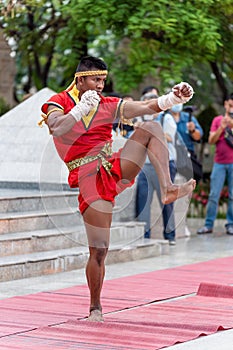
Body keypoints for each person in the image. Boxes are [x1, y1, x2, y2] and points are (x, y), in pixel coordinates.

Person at [40, 56, 195, 322]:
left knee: (151, 126)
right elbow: (56, 128)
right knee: (99, 249)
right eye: (95, 79)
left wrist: (173, 99)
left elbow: (146, 105)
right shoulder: (60, 101)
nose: (100, 85)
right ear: (80, 79)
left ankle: (168, 188)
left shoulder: (106, 104)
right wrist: (78, 110)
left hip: (113, 165)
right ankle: (95, 307)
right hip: (88, 177)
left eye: (102, 80)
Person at [135, 92, 177, 245]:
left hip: (164, 165)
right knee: (143, 200)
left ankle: (170, 235)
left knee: (166, 201)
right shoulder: (139, 120)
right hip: (145, 165)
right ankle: (144, 235)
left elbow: (169, 137)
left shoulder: (166, 118)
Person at [197, 93, 233, 235]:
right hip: (219, 163)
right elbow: (211, 140)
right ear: (225, 104)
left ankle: (230, 224)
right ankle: (208, 224)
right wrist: (221, 127)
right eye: (230, 105)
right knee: (213, 194)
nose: (231, 108)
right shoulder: (218, 120)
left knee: (232, 195)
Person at [169, 103, 203, 182]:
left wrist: (193, 130)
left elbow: (198, 136)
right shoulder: (164, 118)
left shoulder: (188, 118)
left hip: (186, 157)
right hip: (169, 157)